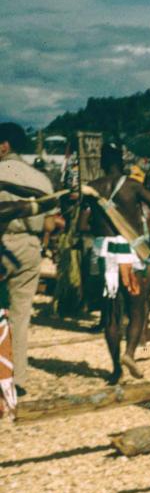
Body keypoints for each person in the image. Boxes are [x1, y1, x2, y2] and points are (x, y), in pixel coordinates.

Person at [79, 145, 150, 383]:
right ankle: (129, 354)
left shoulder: (92, 188)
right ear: (122, 162)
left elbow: (81, 224)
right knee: (137, 308)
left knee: (110, 314)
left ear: (102, 163)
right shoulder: (132, 186)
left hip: (104, 253)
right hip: (131, 253)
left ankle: (115, 370)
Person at [0, 122, 53, 395]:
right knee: (21, 316)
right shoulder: (40, 178)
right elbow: (52, 220)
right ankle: (16, 379)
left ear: (4, 146)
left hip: (3, 242)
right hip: (31, 245)